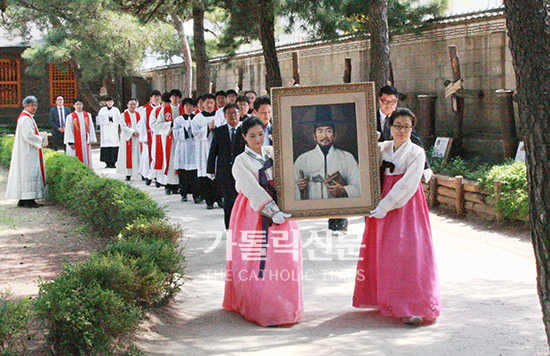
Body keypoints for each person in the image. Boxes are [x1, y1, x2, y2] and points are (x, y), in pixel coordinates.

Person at [353, 108, 440, 326]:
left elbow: (408, 183)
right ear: (390, 127)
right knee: (383, 249)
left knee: (409, 252)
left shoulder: (416, 152)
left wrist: (387, 204)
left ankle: (415, 305)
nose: (402, 130)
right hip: (382, 202)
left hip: (406, 205)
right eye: (397, 125)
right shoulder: (384, 148)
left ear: (412, 129)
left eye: (406, 126)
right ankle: (384, 297)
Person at [223, 116, 303, 327]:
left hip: (280, 206)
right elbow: (251, 188)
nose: (258, 139)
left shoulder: (272, 152)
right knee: (257, 258)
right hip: (253, 210)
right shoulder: (241, 161)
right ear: (244, 138)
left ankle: (285, 304)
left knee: (284, 257)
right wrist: (270, 210)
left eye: (261, 134)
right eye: (252, 136)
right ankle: (260, 305)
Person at [294, 105, 360, 200]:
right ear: (314, 136)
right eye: (320, 131)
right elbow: (290, 190)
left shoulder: (347, 157)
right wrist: (299, 188)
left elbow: (359, 188)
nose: (324, 136)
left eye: (328, 131)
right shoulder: (302, 159)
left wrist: (343, 190)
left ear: (335, 135)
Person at [377, 85, 432, 181]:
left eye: (392, 101)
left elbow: (416, 141)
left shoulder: (402, 118)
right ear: (379, 100)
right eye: (384, 101)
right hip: (376, 167)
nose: (388, 105)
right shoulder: (370, 117)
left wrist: (426, 167)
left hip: (398, 167)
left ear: (397, 101)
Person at [6, 96, 46, 208]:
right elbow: (28, 135)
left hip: (28, 150)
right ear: (25, 106)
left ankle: (25, 199)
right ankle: (28, 199)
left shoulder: (28, 117)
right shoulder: (25, 119)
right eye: (32, 105)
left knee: (26, 174)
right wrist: (40, 139)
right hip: (27, 151)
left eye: (36, 105)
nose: (35, 107)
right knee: (28, 173)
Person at [206, 103, 241, 228]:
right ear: (225, 116)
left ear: (240, 114)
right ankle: (230, 226)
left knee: (240, 200)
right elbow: (213, 151)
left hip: (242, 171)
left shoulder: (245, 131)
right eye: (229, 114)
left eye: (235, 113)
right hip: (224, 171)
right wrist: (210, 169)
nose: (233, 116)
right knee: (229, 199)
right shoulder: (220, 131)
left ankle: (241, 225)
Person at [192, 93, 223, 209]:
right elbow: (195, 133)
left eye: (211, 102)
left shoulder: (220, 116)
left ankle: (219, 199)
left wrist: (216, 129)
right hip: (204, 148)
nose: (209, 105)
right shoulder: (197, 118)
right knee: (206, 173)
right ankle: (209, 201)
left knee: (218, 173)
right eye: (207, 103)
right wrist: (208, 128)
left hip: (217, 148)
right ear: (202, 104)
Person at [151, 89, 183, 195]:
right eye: (173, 96)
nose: (175, 98)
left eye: (177, 97)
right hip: (169, 139)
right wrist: (171, 124)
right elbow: (159, 124)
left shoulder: (183, 109)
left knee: (179, 160)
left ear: (179, 98)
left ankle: (179, 185)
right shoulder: (164, 110)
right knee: (169, 161)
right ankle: (168, 185)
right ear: (170, 98)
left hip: (181, 140)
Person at [173, 97, 200, 203]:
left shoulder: (197, 118)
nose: (189, 108)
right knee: (183, 172)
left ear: (194, 107)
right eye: (186, 106)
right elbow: (175, 133)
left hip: (194, 147)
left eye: (191, 106)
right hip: (183, 148)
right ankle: (183, 193)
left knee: (195, 172)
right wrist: (184, 129)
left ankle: (196, 194)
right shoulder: (178, 120)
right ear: (183, 107)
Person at [137, 89, 161, 185]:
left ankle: (158, 177)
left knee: (159, 156)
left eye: (158, 96)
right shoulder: (146, 110)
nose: (156, 98)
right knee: (148, 157)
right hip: (149, 136)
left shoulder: (162, 109)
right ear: (150, 98)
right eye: (154, 96)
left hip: (160, 137)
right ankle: (148, 176)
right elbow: (142, 124)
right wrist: (144, 138)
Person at [65, 98, 97, 168]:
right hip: (75, 142)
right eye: (77, 104)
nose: (79, 106)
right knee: (75, 158)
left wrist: (91, 138)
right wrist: (71, 142)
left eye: (80, 104)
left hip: (85, 142)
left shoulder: (87, 115)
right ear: (74, 106)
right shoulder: (70, 117)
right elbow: (68, 130)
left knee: (86, 158)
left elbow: (91, 127)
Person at [149, 92, 171, 187]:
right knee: (158, 158)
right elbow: (153, 124)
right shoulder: (157, 111)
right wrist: (164, 129)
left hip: (171, 138)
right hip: (159, 137)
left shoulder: (173, 110)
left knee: (168, 159)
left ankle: (167, 180)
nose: (166, 105)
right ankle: (158, 178)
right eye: (165, 103)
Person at [117, 98, 141, 181]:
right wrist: (132, 132)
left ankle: (140, 172)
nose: (133, 106)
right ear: (127, 105)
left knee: (138, 155)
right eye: (131, 104)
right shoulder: (123, 115)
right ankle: (128, 174)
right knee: (128, 156)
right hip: (128, 138)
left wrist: (138, 132)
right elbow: (123, 126)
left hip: (137, 138)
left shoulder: (138, 114)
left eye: (134, 104)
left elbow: (140, 124)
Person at [96, 97, 121, 168]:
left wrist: (112, 118)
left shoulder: (116, 110)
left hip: (113, 130)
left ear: (113, 102)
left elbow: (119, 119)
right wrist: (108, 118)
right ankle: (107, 162)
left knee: (114, 146)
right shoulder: (102, 110)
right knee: (106, 146)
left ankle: (113, 163)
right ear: (106, 102)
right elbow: (100, 119)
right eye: (108, 102)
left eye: (111, 102)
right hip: (105, 131)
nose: (110, 103)